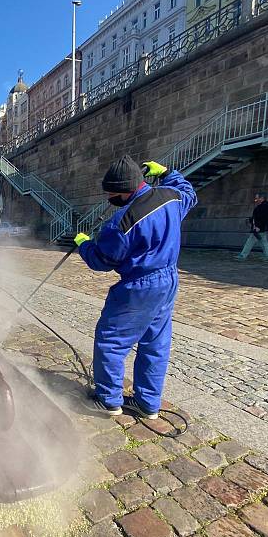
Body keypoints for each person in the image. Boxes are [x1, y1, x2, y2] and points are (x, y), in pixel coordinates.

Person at [74, 156, 197, 418]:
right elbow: (189, 192)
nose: (109, 198)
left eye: (111, 194)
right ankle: (148, 404)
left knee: (111, 341)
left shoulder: (121, 223)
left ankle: (108, 401)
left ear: (127, 191)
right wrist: (166, 173)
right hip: (168, 281)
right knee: (155, 343)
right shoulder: (171, 197)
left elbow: (102, 260)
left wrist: (84, 244)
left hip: (139, 287)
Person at [235, 193, 268, 262]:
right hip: (259, 228)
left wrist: (259, 227)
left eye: (257, 198)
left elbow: (264, 218)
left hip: (259, 228)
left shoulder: (265, 206)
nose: (255, 200)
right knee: (263, 242)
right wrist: (250, 220)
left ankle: (242, 255)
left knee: (250, 241)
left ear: (262, 198)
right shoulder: (262, 206)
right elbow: (258, 217)